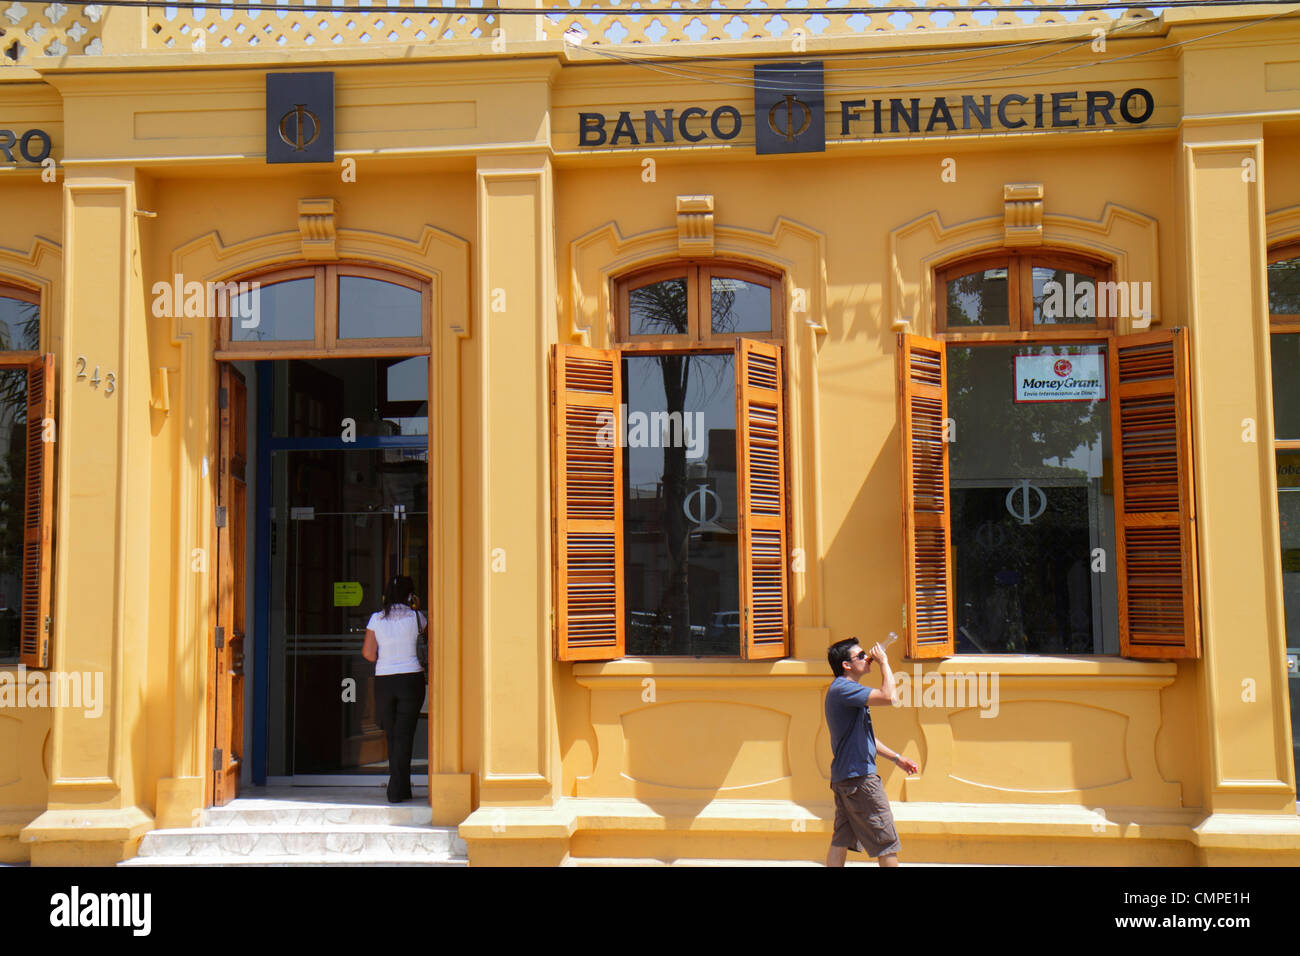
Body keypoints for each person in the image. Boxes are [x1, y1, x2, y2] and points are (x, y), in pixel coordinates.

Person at [824, 637, 920, 867]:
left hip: (847, 779)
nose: (867, 658)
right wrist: (884, 662)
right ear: (846, 665)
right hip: (860, 780)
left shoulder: (845, 691)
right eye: (860, 656)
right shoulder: (843, 688)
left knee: (841, 839)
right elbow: (889, 697)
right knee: (886, 842)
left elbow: (865, 738)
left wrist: (897, 758)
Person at [361, 575, 427, 803]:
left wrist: (387, 658)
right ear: (410, 596)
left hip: (385, 680)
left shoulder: (376, 619)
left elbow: (368, 653)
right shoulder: (417, 617)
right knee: (405, 735)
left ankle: (398, 787)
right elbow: (431, 641)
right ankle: (398, 788)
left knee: (392, 734)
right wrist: (416, 606)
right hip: (411, 678)